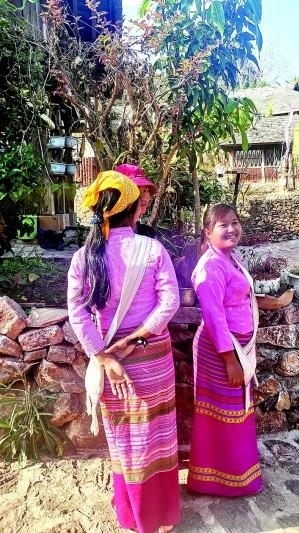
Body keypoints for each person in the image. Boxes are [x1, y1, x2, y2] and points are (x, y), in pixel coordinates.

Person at [67, 170, 180, 533]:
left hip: (112, 364)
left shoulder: (84, 257)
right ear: (133, 210)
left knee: (125, 438)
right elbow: (170, 302)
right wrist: (138, 339)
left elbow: (77, 312)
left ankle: (132, 513)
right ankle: (161, 513)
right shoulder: (153, 250)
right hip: (152, 359)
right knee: (157, 432)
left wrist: (103, 356)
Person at [187, 203, 262, 497]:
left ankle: (236, 475)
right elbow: (214, 317)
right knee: (223, 416)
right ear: (208, 232)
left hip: (236, 348)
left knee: (236, 413)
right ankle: (217, 481)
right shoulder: (210, 268)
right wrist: (230, 360)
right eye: (223, 225)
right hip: (221, 353)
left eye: (235, 222)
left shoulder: (228, 259)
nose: (231, 229)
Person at [115, 163, 158, 238]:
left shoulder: (148, 233)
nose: (144, 197)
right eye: (137, 191)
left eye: (146, 190)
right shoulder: (105, 233)